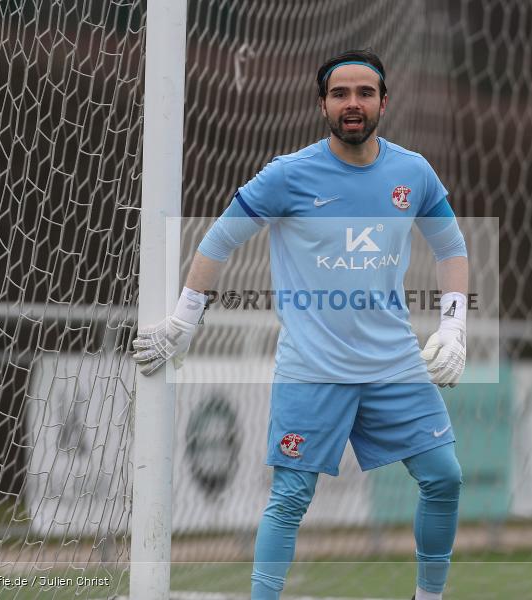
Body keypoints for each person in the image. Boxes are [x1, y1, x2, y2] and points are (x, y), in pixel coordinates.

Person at [133, 49, 468, 600]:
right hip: (312, 368)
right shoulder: (288, 175)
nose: (353, 104)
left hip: (394, 366)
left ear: (384, 101)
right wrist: (183, 320)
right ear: (323, 105)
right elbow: (219, 240)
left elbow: (451, 247)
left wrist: (455, 328)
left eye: (364, 93)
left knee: (445, 477)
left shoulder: (414, 173)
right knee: (289, 497)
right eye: (340, 94)